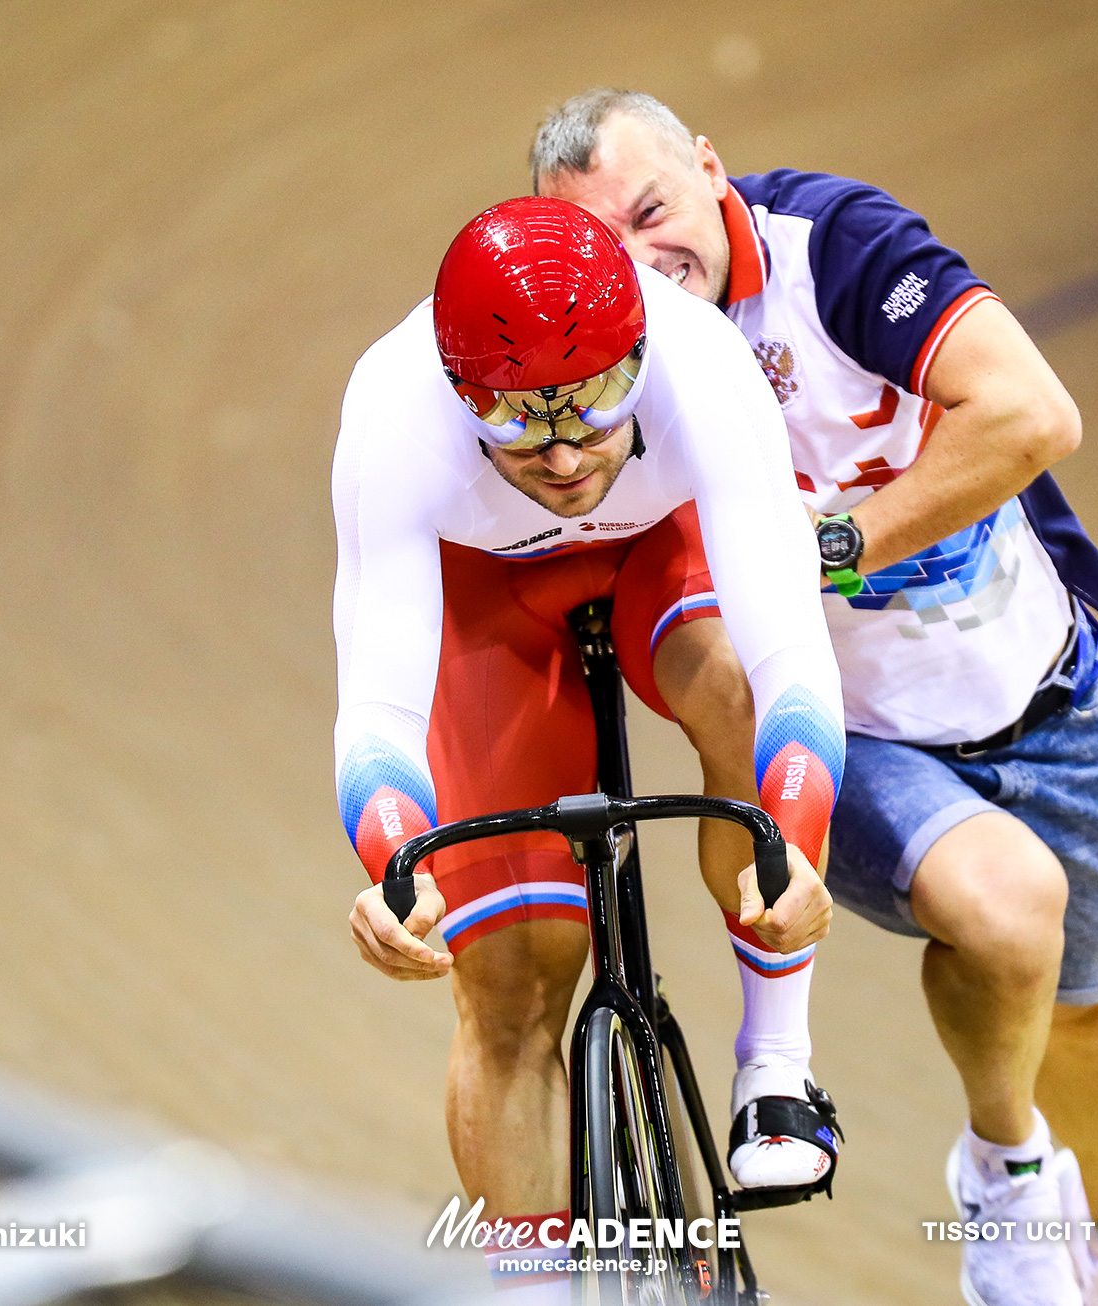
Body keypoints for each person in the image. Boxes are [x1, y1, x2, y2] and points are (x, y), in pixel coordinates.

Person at [533, 90, 1098, 1306]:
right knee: (1004, 911)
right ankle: (1003, 1167)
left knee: (1090, 1009)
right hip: (853, 731)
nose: (643, 258)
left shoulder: (834, 247)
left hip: (1041, 690)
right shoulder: (612, 354)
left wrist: (834, 548)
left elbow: (1034, 413)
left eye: (654, 211)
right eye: (604, 246)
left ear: (709, 167)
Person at [333, 197, 850, 1299]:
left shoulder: (703, 366)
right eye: (521, 425)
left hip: (657, 549)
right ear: (461, 395)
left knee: (741, 717)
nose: (565, 455)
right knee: (511, 990)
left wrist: (795, 835)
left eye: (599, 408)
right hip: (488, 600)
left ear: (642, 360)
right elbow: (377, 710)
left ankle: (775, 1061)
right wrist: (392, 863)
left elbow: (792, 654)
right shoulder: (392, 412)